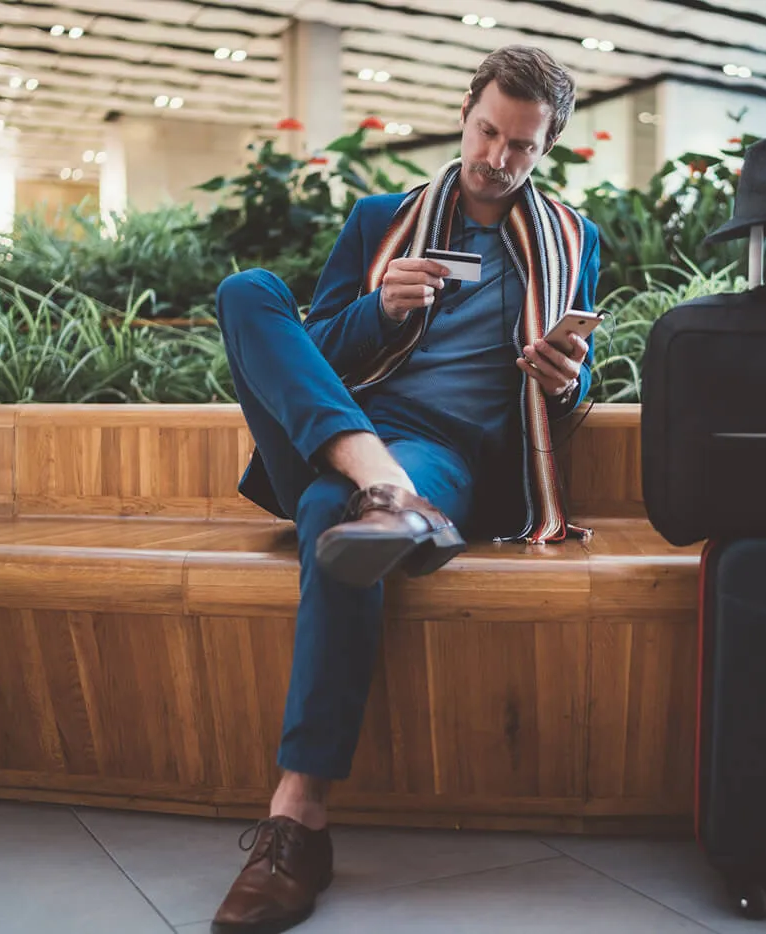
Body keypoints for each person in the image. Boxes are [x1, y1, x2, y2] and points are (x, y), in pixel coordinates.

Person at [208, 44, 600, 933]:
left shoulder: (573, 239)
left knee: (330, 523)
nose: (498, 158)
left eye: (522, 147)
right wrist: (379, 309)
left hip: (449, 461)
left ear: (548, 150)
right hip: (346, 428)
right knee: (247, 292)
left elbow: (572, 393)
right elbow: (315, 351)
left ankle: (296, 818)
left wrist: (565, 375)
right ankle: (380, 487)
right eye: (488, 132)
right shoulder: (381, 217)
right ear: (466, 113)